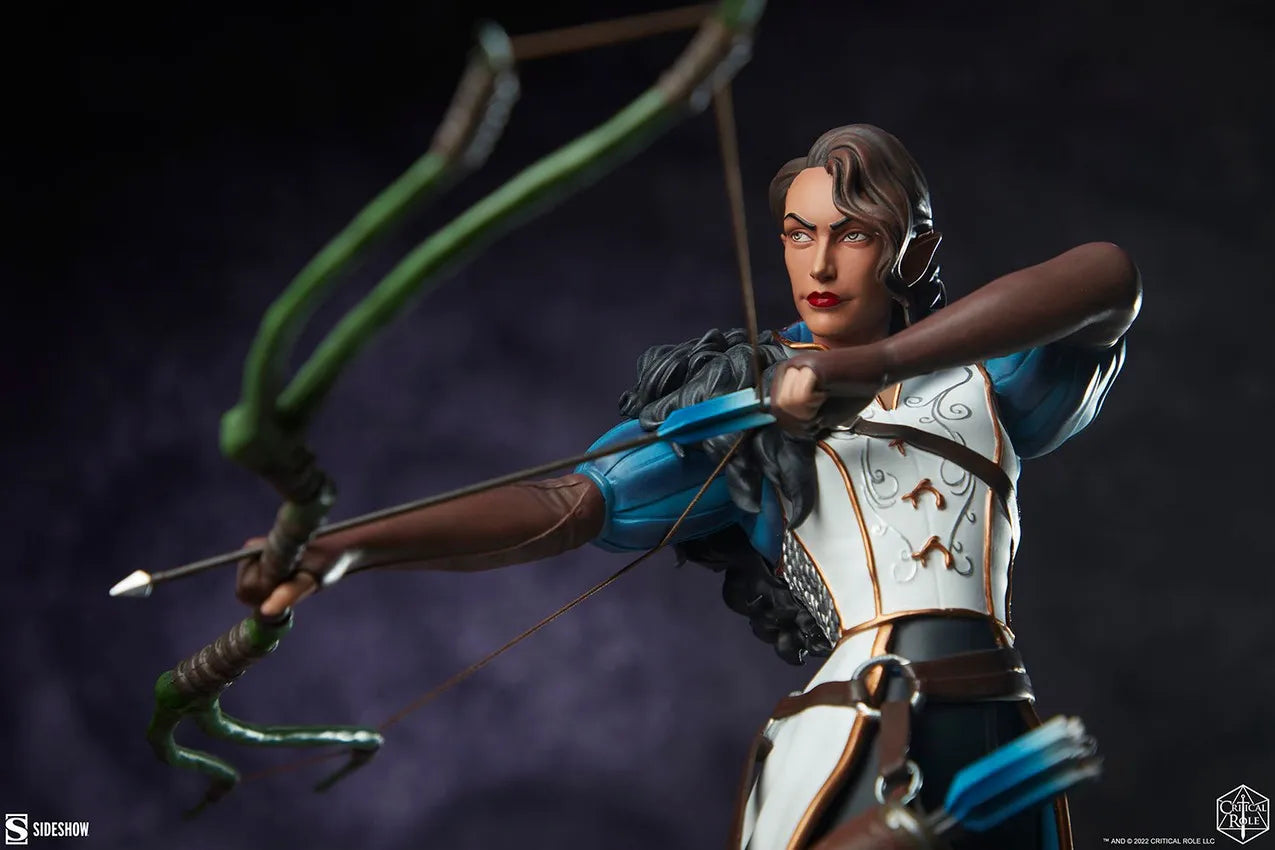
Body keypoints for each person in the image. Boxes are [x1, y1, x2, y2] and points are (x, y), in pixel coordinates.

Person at [237, 125, 1141, 850]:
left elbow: (1105, 279)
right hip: (859, 727)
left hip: (996, 723)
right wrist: (347, 548)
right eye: (799, 234)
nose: (820, 264)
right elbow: (568, 504)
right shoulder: (746, 404)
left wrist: (871, 365)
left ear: (916, 248)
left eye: (854, 234)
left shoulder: (987, 379)